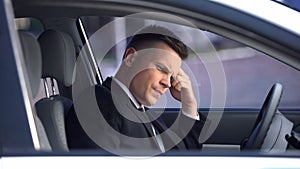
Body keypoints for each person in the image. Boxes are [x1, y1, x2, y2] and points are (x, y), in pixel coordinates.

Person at [66, 25, 206, 155]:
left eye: (172, 76)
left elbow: (184, 156)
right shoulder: (97, 103)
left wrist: (189, 104)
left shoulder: (143, 112)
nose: (168, 83)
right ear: (131, 58)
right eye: (162, 69)